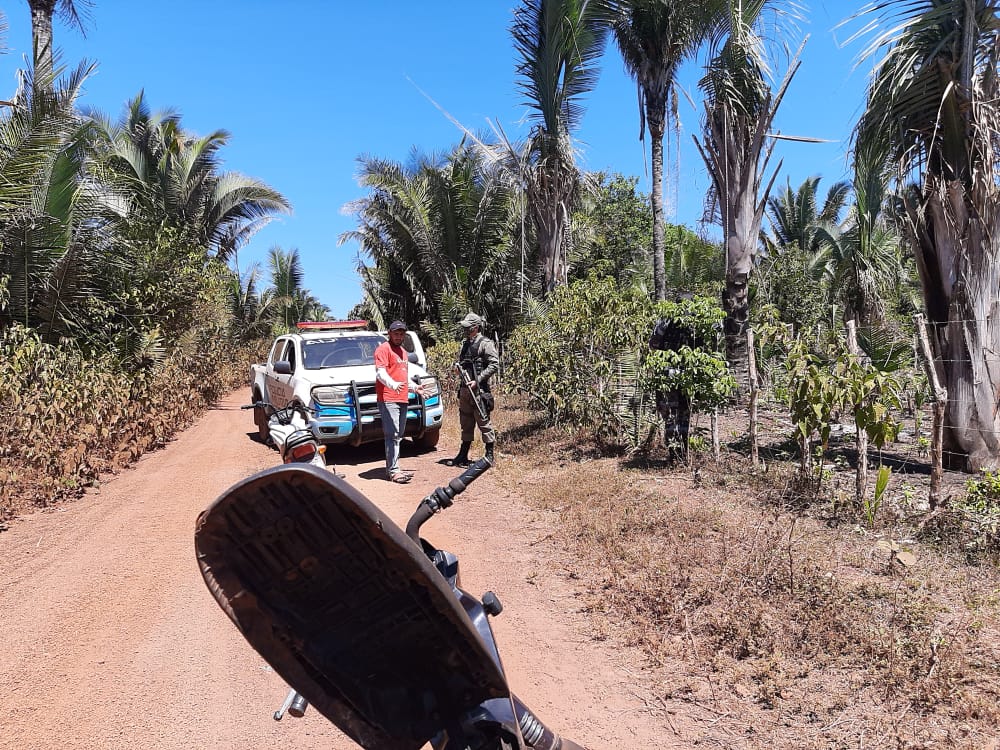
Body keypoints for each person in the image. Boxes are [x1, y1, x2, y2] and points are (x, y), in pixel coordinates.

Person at [375, 320, 427, 483]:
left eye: (401, 334)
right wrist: (393, 385)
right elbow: (380, 373)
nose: (398, 336)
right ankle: (394, 470)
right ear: (389, 334)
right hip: (388, 398)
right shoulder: (383, 349)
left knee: (398, 435)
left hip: (402, 398)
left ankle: (394, 466)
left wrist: (414, 388)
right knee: (393, 434)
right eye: (395, 333)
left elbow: (403, 376)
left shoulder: (403, 352)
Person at [449, 312, 499, 467]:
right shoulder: (465, 344)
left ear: (476, 327)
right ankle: (463, 455)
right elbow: (462, 363)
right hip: (464, 390)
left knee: (483, 421)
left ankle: (489, 455)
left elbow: (494, 364)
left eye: (468, 327)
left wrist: (478, 381)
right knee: (466, 422)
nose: (465, 330)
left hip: (479, 391)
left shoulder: (485, 343)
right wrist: (458, 370)